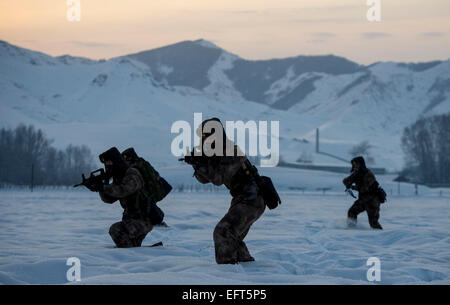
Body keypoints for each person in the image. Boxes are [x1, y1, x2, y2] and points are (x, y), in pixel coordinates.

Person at [185, 118, 266, 264]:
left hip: (253, 199)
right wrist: (196, 165)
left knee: (223, 232)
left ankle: (227, 273)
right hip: (242, 199)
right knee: (232, 237)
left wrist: (201, 164)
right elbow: (204, 180)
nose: (204, 140)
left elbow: (218, 179)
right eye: (202, 137)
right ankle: (248, 269)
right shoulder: (216, 153)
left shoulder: (232, 151)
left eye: (207, 136)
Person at [97, 147, 154, 247]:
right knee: (133, 245)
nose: (107, 166)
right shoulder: (119, 178)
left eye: (110, 163)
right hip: (131, 219)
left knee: (116, 230)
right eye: (106, 164)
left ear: (116, 161)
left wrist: (105, 187)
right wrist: (100, 188)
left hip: (144, 219)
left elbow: (123, 191)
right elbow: (109, 199)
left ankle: (131, 257)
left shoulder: (132, 173)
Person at [121, 147, 169, 227]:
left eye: (127, 157)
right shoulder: (143, 163)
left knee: (144, 209)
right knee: (147, 208)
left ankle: (155, 223)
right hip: (151, 192)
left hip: (145, 193)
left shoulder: (135, 167)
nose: (126, 160)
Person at [343, 156, 383, 230]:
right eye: (353, 165)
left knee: (373, 223)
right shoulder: (356, 173)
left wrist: (352, 187)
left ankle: (381, 238)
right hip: (363, 200)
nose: (355, 166)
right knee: (352, 212)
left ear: (361, 164)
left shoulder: (368, 174)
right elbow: (346, 180)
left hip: (372, 201)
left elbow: (364, 188)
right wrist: (348, 183)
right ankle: (351, 230)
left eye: (356, 164)